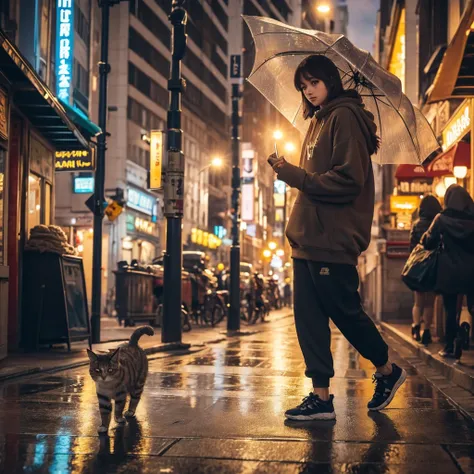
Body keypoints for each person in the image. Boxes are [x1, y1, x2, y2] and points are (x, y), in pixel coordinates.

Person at [267, 54, 406, 421]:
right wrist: (288, 171)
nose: (308, 91)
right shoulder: (318, 121)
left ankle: (388, 371)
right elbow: (313, 181)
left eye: (313, 82)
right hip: (307, 237)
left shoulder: (344, 117)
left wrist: (294, 175)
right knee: (308, 317)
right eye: (303, 86)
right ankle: (321, 397)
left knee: (344, 312)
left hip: (333, 238)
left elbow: (348, 180)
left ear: (330, 79)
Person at [421, 184, 474, 360]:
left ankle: (451, 345)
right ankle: (465, 332)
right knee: (472, 307)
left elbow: (427, 241)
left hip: (449, 270)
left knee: (450, 309)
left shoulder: (441, 219)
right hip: (471, 270)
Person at [409, 195, 442, 344]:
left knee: (418, 301)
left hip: (419, 268)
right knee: (430, 302)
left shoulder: (416, 225)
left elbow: (412, 248)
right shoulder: (439, 223)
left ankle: (416, 327)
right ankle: (427, 331)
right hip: (434, 267)